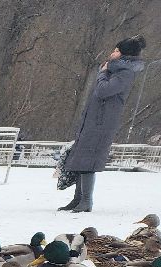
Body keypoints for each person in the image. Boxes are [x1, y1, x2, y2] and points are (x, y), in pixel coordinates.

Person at [62, 36, 146, 211]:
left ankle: (86, 201)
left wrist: (102, 73)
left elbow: (103, 91)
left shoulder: (125, 72)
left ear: (124, 54)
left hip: (102, 124)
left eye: (116, 51)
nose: (112, 53)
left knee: (88, 161)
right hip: (93, 120)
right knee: (81, 159)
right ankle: (77, 199)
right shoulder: (113, 70)